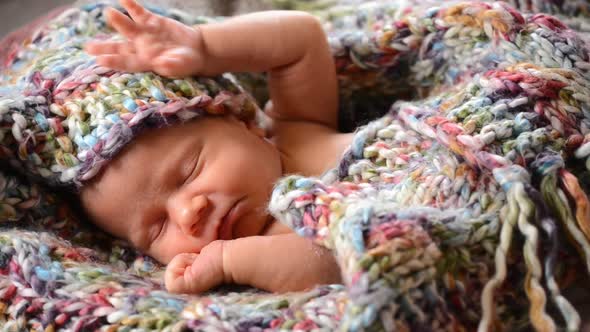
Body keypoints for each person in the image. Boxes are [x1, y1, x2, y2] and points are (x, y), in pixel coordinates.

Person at [81, 0, 354, 294]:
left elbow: (303, 39)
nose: (187, 214)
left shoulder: (300, 126)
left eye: (189, 171)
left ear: (243, 122)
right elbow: (349, 259)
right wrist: (226, 262)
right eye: (157, 228)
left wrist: (205, 47)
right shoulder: (258, 251)